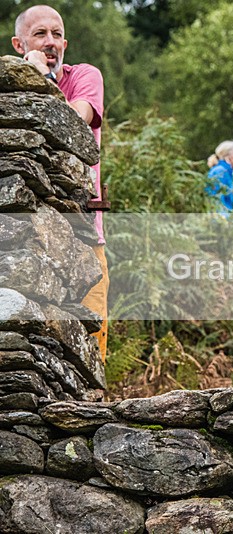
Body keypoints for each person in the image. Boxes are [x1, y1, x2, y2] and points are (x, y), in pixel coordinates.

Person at [12, 5, 108, 361]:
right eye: (40, 34)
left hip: (83, 233)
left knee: (89, 337)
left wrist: (46, 80)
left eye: (56, 34)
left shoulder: (84, 75)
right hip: (19, 229)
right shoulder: (8, 82)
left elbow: (75, 122)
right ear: (19, 44)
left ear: (65, 42)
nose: (50, 42)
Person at [206, 141, 233, 216]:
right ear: (227, 155)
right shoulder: (220, 171)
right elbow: (215, 198)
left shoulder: (228, 173)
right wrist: (223, 220)